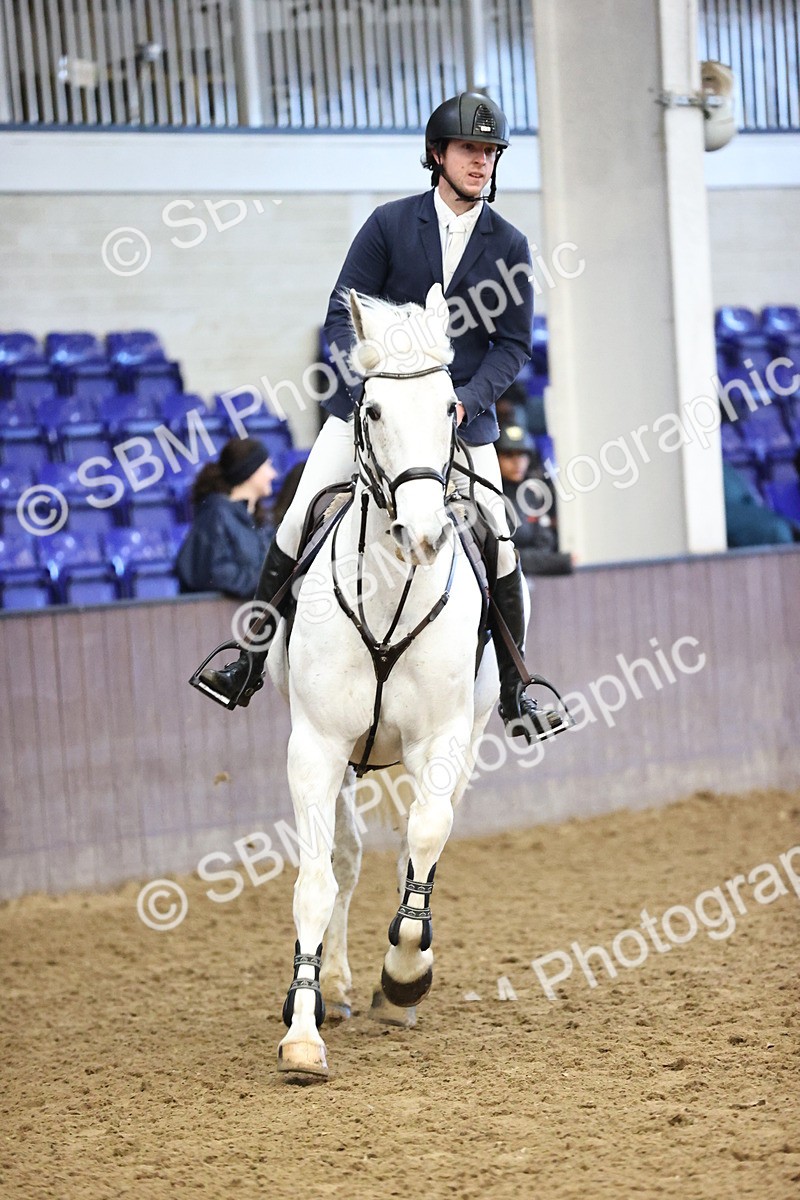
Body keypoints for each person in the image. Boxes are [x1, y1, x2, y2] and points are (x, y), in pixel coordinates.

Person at [196, 92, 563, 737]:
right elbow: (342, 312)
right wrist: (370, 378)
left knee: (500, 538)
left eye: (490, 152)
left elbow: (513, 347)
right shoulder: (391, 225)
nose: (481, 163)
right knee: (297, 513)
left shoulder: (510, 245)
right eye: (469, 150)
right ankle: (248, 662)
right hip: (377, 416)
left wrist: (468, 401)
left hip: (461, 420)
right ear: (437, 155)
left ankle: (515, 689)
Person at [176, 437, 277, 597]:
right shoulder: (216, 514)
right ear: (250, 471)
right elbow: (215, 573)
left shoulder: (258, 520)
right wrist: (269, 583)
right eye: (268, 466)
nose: (274, 474)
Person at [496, 424, 573, 576]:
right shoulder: (489, 498)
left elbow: (545, 544)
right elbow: (500, 557)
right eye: (509, 455)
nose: (517, 462)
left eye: (522, 455)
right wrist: (560, 562)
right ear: (495, 458)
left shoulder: (532, 494)